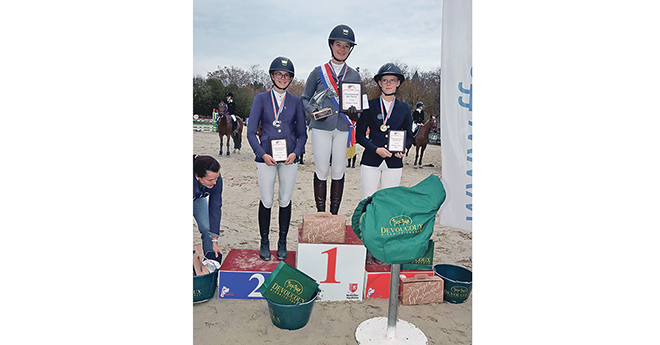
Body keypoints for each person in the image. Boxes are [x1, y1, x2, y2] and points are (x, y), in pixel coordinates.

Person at [247, 56, 308, 261]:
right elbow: (250, 132)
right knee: (266, 199)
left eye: (286, 75)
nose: (283, 78)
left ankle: (282, 241)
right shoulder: (261, 99)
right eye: (279, 74)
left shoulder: (296, 102)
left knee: (285, 199)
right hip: (266, 157)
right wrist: (262, 154)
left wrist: (296, 153)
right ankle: (264, 241)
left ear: (290, 78)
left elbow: (302, 133)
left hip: (288, 158)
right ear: (272, 76)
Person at [301, 24, 361, 215]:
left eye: (346, 46)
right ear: (331, 45)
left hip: (343, 127)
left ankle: (334, 214)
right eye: (338, 44)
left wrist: (354, 113)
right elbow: (304, 98)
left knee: (339, 171)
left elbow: (357, 107)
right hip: (321, 126)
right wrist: (312, 110)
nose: (342, 49)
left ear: (350, 49)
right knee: (321, 170)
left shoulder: (354, 75)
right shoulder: (318, 72)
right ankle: (321, 213)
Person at [356, 63, 413, 200]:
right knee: (367, 200)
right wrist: (376, 149)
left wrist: (403, 148)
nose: (388, 84)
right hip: (371, 160)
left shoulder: (405, 108)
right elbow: (360, 135)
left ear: (398, 83)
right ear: (379, 83)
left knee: (389, 202)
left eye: (392, 80)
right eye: (384, 80)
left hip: (394, 162)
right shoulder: (369, 105)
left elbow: (409, 136)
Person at [193, 155, 224, 262]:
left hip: (197, 198)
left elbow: (215, 207)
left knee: (206, 228)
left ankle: (210, 259)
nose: (215, 182)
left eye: (216, 178)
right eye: (210, 180)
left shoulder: (216, 180)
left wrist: (214, 240)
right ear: (197, 176)